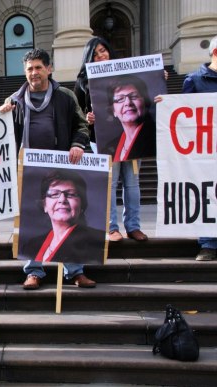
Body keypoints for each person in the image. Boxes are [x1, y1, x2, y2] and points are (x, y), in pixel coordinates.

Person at [0, 48, 96, 290]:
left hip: (62, 167)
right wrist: (0, 116)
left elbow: (81, 124)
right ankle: (34, 271)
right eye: (30, 68)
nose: (34, 73)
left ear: (49, 69)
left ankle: (75, 271)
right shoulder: (14, 100)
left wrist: (77, 144)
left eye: (39, 67)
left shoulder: (64, 96)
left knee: (70, 218)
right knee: (32, 221)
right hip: (28, 169)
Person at [74, 37, 149, 243]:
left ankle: (134, 226)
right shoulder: (83, 83)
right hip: (103, 139)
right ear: (89, 58)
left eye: (103, 51)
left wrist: (159, 78)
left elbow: (146, 91)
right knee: (110, 183)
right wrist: (87, 118)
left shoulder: (126, 74)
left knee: (132, 184)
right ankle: (111, 228)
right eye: (96, 53)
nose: (101, 56)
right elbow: (77, 112)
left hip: (133, 137)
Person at [20, 170, 106, 264]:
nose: (62, 200)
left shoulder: (97, 241)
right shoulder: (31, 246)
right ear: (44, 205)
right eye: (54, 194)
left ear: (82, 205)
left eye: (71, 194)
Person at [182, 34, 217, 261]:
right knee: (207, 193)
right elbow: (182, 114)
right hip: (205, 150)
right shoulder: (194, 80)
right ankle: (208, 243)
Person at [100, 74, 156, 161]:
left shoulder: (157, 137)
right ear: (113, 110)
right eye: (119, 99)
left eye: (134, 96)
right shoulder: (110, 147)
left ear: (145, 102)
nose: (127, 103)